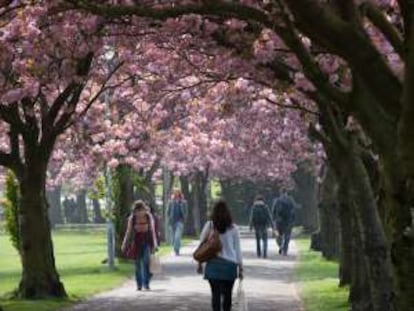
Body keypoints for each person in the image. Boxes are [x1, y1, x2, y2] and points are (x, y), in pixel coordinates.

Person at [197, 200, 243, 311]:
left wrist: (200, 263)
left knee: (215, 296)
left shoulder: (210, 225)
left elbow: (201, 244)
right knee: (227, 297)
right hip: (230, 267)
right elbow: (238, 250)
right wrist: (240, 268)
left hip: (213, 266)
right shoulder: (234, 228)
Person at [121, 200, 158, 290]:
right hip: (136, 241)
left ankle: (146, 283)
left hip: (147, 240)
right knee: (137, 264)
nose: (139, 213)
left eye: (141, 210)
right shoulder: (132, 218)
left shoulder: (149, 217)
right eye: (137, 211)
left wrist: (155, 243)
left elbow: (153, 231)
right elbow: (128, 231)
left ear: (144, 210)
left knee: (146, 261)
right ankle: (139, 284)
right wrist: (124, 243)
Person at [272, 189, 297, 256]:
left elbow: (274, 211)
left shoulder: (277, 200)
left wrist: (274, 220)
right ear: (286, 193)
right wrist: (293, 220)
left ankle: (280, 245)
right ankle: (285, 249)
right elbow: (294, 210)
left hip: (279, 221)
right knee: (287, 236)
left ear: (280, 193)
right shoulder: (291, 200)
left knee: (278, 235)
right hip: (288, 221)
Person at [167, 190, 188, 255]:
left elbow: (186, 211)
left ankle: (177, 250)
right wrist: (169, 218)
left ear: (179, 193)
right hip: (172, 221)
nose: (176, 193)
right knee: (173, 238)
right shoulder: (170, 202)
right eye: (174, 192)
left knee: (177, 236)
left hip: (180, 221)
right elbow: (168, 211)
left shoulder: (184, 202)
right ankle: (175, 248)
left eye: (177, 192)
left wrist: (184, 218)